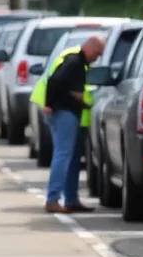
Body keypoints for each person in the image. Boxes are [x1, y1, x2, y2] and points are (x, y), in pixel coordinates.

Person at [42, 35, 106, 215]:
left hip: (67, 112)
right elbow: (55, 81)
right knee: (63, 155)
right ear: (91, 49)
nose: (98, 58)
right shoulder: (75, 63)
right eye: (98, 53)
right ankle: (52, 199)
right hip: (64, 114)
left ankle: (71, 199)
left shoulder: (77, 63)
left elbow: (69, 89)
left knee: (71, 157)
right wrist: (49, 103)